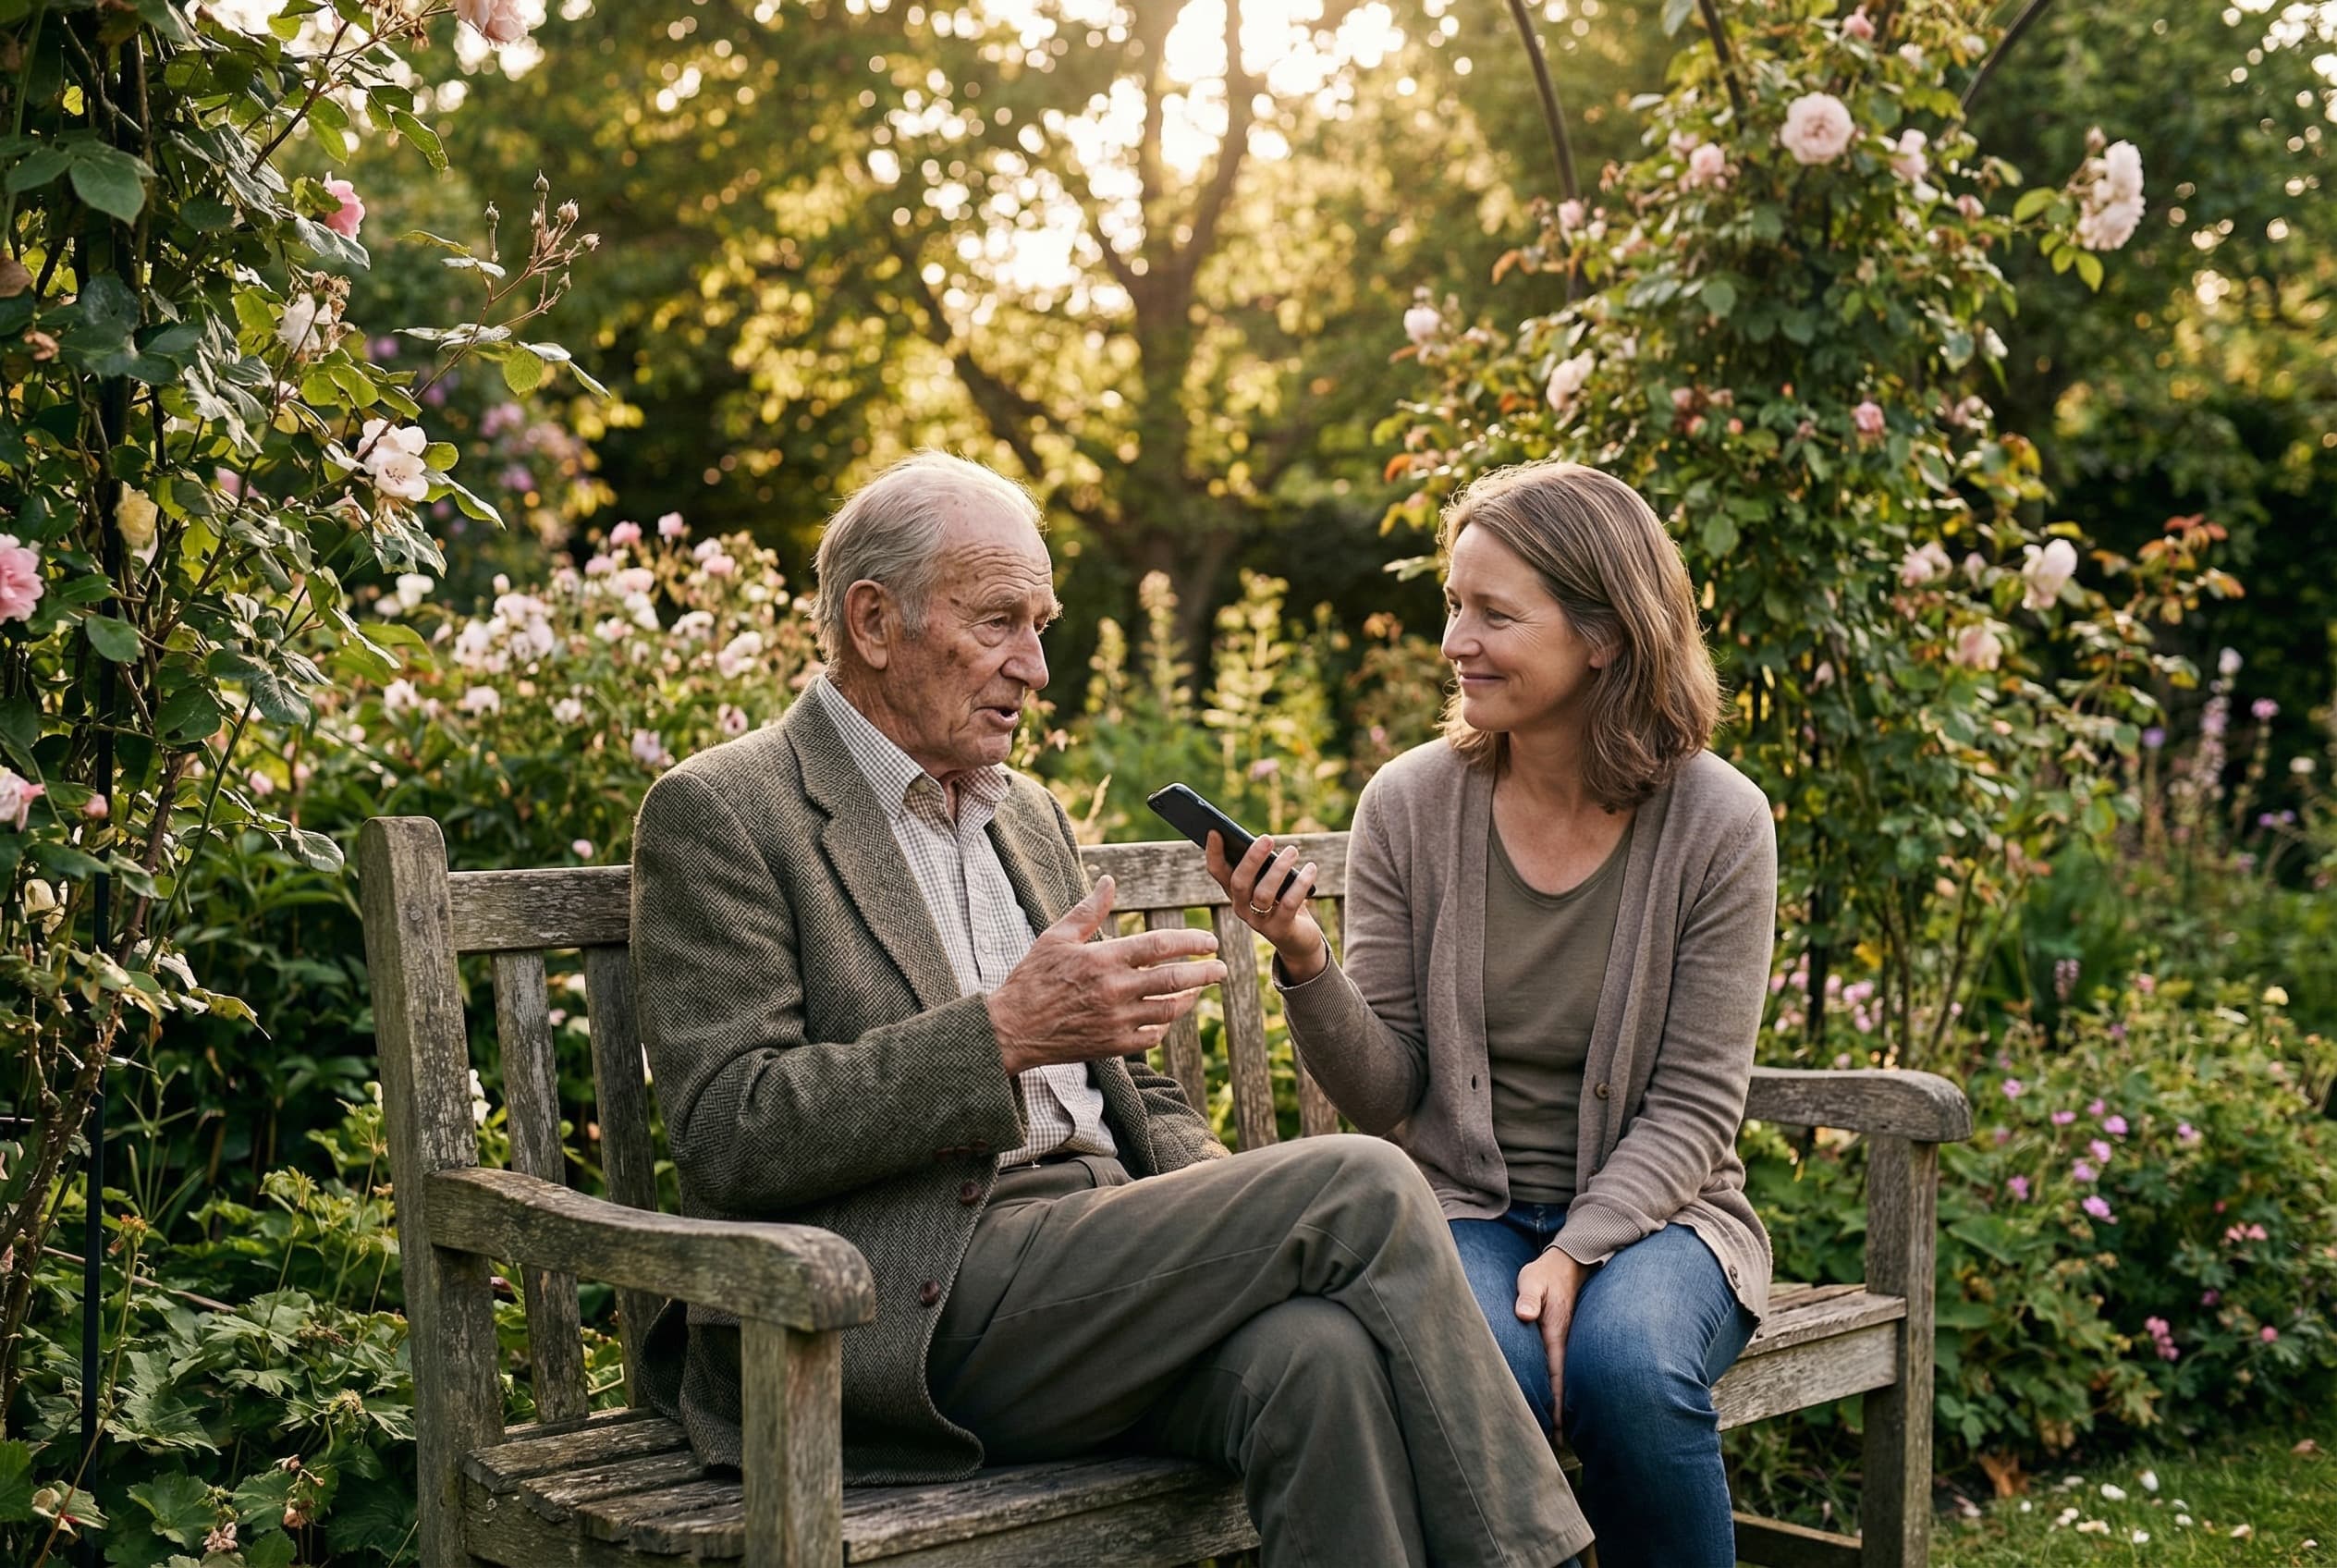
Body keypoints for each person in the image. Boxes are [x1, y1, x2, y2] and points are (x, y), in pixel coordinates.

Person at [629, 450, 1593, 1566]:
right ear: (873, 620)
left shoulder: (1021, 812)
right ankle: (1552, 1559)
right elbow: (724, 1128)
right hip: (901, 1299)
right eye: (999, 622)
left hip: (1087, 1270)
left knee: (1314, 1359)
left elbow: (1122, 1083)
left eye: (1041, 624)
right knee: (1361, 1177)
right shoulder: (724, 811)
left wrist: (1223, 1205)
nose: (1035, 667)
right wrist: (996, 1034)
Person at [1208, 459, 1779, 1568]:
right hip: (1460, 1212)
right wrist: (1305, 959)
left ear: (1603, 636)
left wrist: (1575, 1248)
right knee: (1490, 1376)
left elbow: (1698, 1105)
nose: (1453, 641)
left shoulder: (1717, 820)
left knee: (1630, 1366)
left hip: (1661, 1217)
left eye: (1492, 613)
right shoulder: (1410, 804)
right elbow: (1386, 1091)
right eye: (1451, 605)